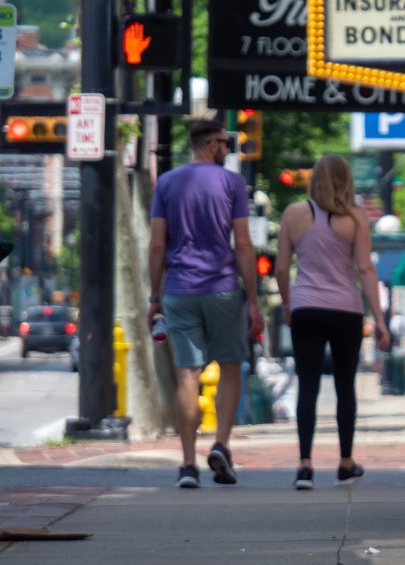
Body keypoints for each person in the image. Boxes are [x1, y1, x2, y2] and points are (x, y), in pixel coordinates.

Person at [147, 118, 263, 489]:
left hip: (179, 290)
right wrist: (254, 300)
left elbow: (156, 245)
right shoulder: (232, 183)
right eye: (226, 145)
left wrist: (155, 297)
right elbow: (243, 244)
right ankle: (222, 445)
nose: (229, 150)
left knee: (187, 375)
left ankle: (186, 464)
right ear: (212, 145)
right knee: (230, 367)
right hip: (222, 288)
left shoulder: (166, 183)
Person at [276, 155, 391, 491]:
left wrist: (287, 303)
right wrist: (379, 319)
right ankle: (344, 462)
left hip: (306, 308)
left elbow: (282, 268)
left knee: (307, 384)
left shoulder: (294, 214)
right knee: (344, 386)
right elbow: (366, 270)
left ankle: (304, 465)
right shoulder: (355, 217)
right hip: (346, 310)